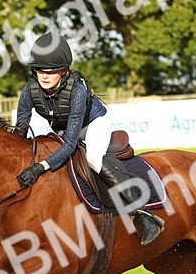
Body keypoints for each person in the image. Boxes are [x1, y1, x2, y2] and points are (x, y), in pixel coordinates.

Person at [14, 32, 163, 245]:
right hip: (65, 129)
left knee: (93, 158)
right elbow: (21, 128)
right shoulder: (29, 90)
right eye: (39, 70)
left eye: (51, 71)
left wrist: (40, 167)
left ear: (64, 71)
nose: (44, 76)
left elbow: (72, 143)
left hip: (93, 124)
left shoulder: (78, 91)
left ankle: (144, 214)